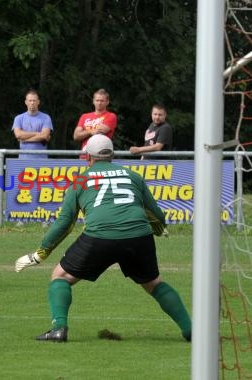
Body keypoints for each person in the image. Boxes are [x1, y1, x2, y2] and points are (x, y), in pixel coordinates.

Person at [14, 134, 191, 342]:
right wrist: (158, 230)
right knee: (154, 283)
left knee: (60, 277)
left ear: (88, 157)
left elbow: (65, 222)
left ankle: (59, 329)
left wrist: (41, 253)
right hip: (138, 237)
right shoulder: (132, 176)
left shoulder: (80, 180)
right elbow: (157, 216)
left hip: (99, 237)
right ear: (112, 155)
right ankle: (190, 330)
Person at [73, 89, 117, 159]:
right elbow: (76, 136)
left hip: (102, 156)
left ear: (107, 102)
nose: (99, 103)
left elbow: (101, 131)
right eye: (97, 100)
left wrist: (84, 132)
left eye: (102, 101)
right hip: (85, 156)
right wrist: (90, 132)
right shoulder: (84, 116)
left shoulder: (111, 116)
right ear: (93, 101)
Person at [11, 89, 53, 159]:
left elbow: (44, 136)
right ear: (26, 102)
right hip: (23, 160)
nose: (32, 103)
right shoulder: (18, 118)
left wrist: (24, 140)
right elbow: (18, 135)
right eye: (30, 100)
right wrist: (38, 134)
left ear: (38, 102)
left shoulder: (46, 117)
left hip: (41, 160)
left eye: (34, 100)